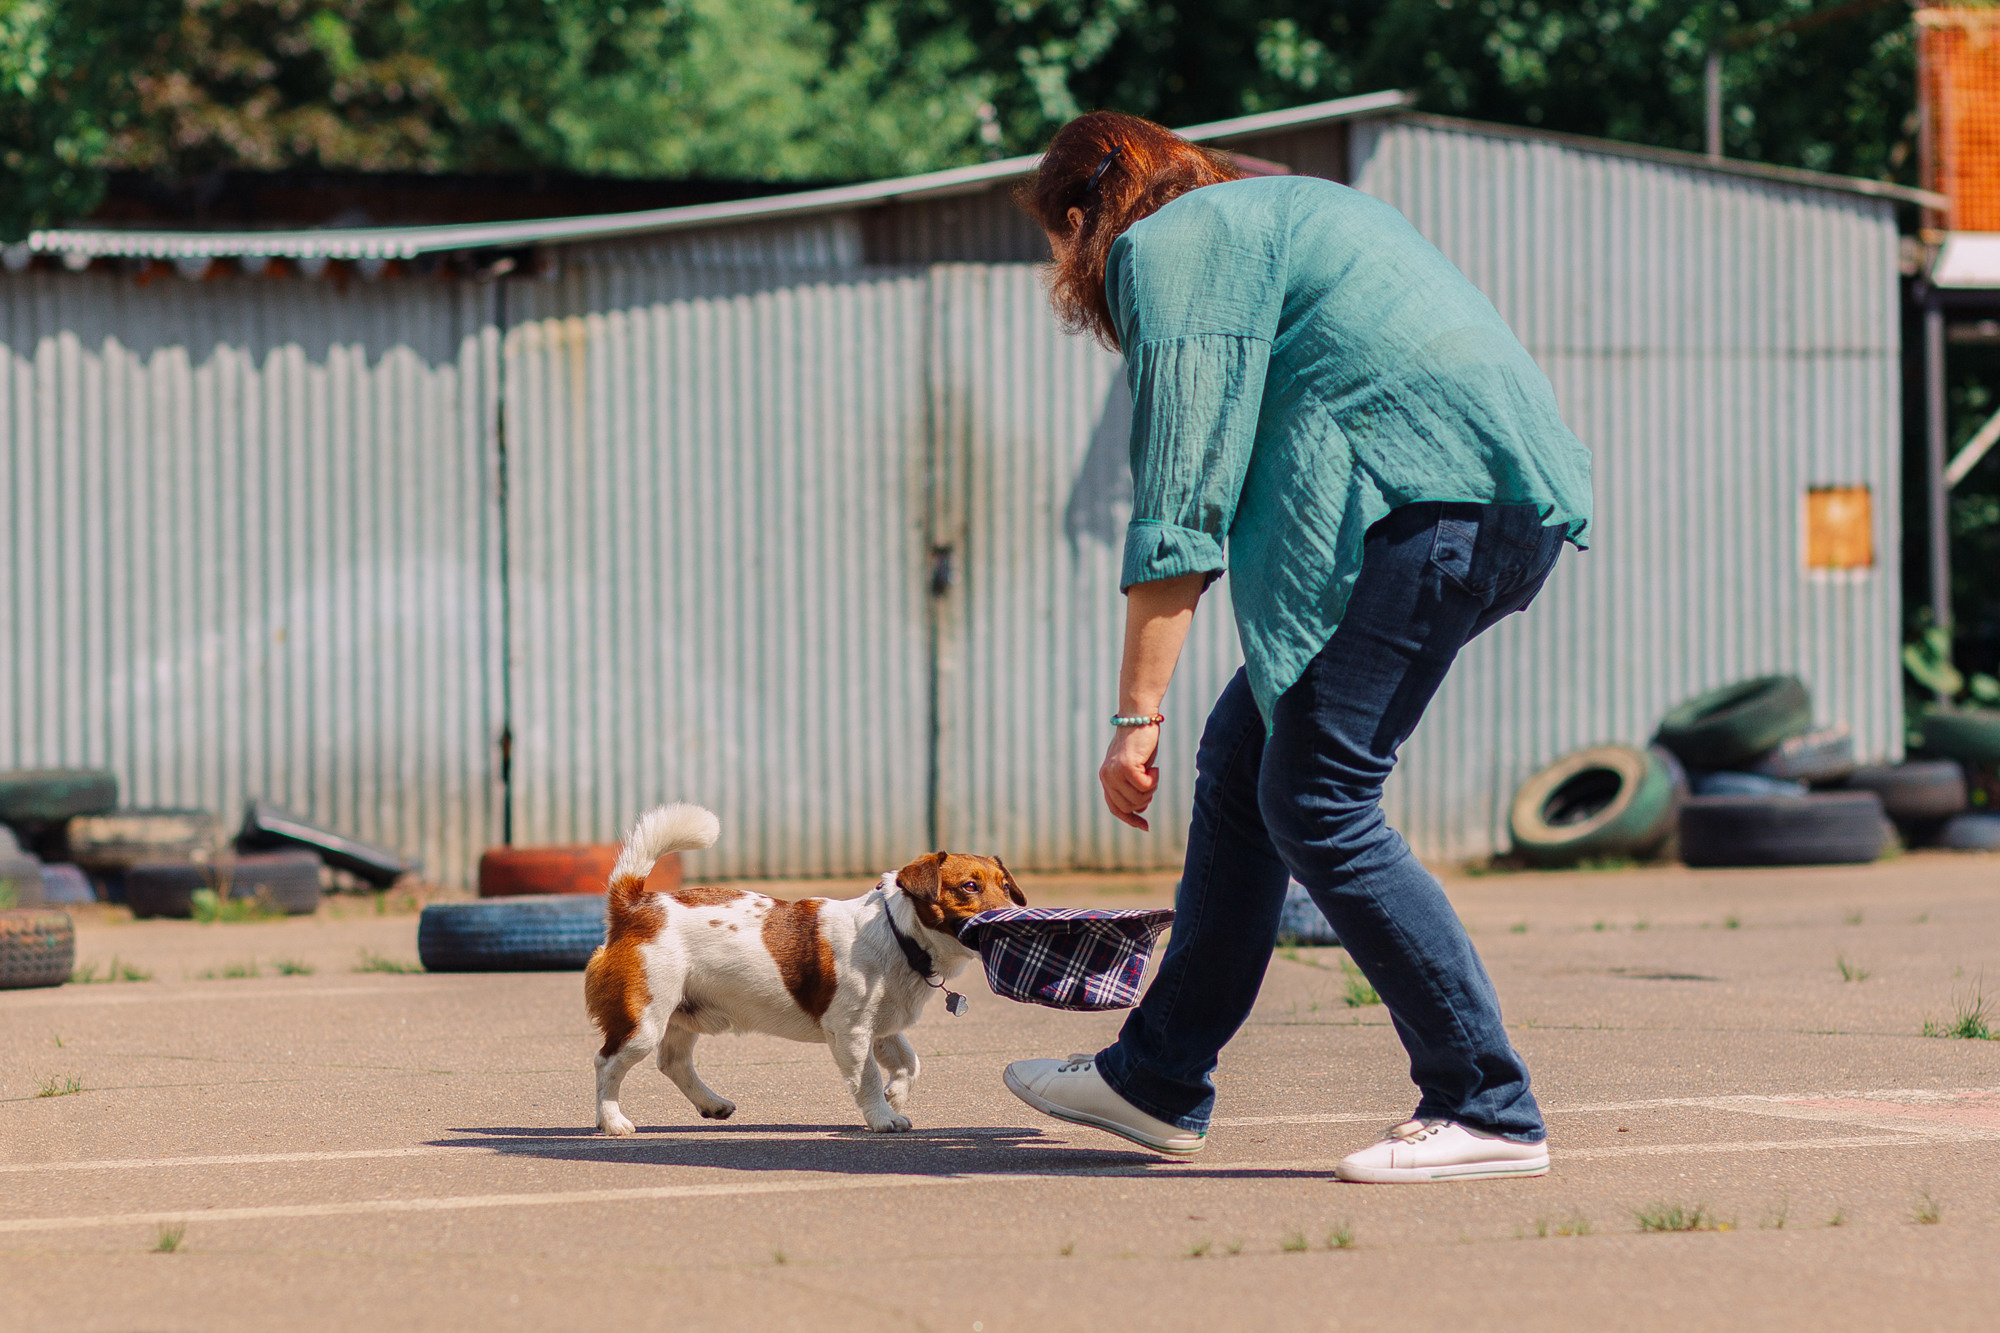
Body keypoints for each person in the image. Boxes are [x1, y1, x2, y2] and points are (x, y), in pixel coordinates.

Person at [1001, 112, 1593, 1183]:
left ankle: (1485, 1105)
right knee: (1244, 769)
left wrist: (1132, 718)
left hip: (1426, 512)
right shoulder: (1288, 209)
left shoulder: (1165, 247)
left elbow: (1182, 496)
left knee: (1318, 797)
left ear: (1084, 213)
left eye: (1058, 237)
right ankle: (1156, 1077)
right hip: (1495, 508)